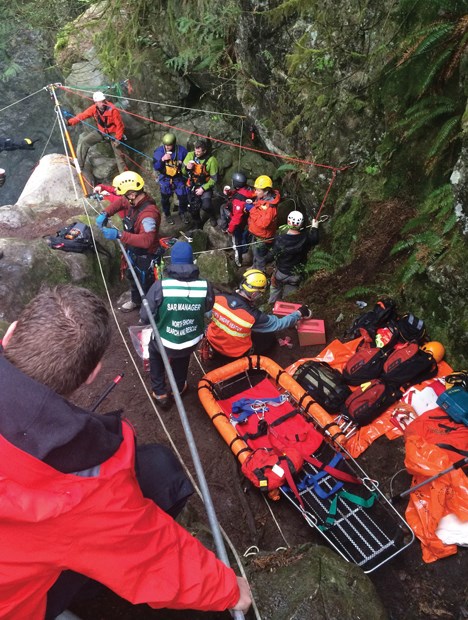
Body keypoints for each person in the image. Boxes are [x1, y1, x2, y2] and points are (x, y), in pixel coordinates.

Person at [0, 284, 251, 618]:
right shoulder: (79, 484)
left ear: (10, 332)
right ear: (92, 375)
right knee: (158, 469)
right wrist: (227, 588)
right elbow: (146, 552)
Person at [141, 241, 214, 409]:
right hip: (190, 339)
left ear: (172, 261)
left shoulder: (161, 286)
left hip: (164, 339)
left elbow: (145, 316)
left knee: (155, 354)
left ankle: (160, 392)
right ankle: (178, 388)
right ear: (192, 261)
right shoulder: (205, 286)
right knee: (182, 359)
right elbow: (208, 307)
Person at [206, 268, 311, 360]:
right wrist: (299, 313)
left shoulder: (219, 298)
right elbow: (278, 324)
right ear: (254, 293)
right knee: (269, 338)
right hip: (234, 353)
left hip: (212, 341)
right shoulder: (252, 316)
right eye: (260, 293)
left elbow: (209, 314)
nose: (260, 296)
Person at [96, 171, 161, 312]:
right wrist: (106, 213)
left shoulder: (149, 215)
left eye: (125, 195)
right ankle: (136, 301)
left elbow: (147, 240)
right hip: (133, 249)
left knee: (146, 283)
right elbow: (120, 202)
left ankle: (151, 311)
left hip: (146, 254)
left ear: (132, 194)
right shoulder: (133, 200)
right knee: (132, 276)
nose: (124, 198)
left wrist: (119, 235)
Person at [66, 91, 127, 174]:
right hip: (102, 131)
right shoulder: (94, 108)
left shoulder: (113, 110)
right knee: (85, 141)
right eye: (100, 102)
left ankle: (124, 175)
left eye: (103, 101)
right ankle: (80, 165)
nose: (103, 103)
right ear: (96, 102)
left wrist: (118, 139)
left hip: (114, 133)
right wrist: (70, 122)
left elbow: (120, 125)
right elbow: (82, 115)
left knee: (119, 155)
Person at [268, 210, 320, 303]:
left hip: (281, 273)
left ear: (288, 222)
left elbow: (272, 255)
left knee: (275, 288)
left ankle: (271, 305)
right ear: (301, 224)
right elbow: (315, 240)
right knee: (289, 299)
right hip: (295, 274)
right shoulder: (305, 238)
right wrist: (314, 227)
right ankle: (287, 309)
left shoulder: (280, 239)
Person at [220, 171, 256, 267]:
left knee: (236, 242)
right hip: (247, 220)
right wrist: (228, 192)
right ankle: (244, 248)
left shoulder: (239, 201)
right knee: (244, 234)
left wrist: (230, 230)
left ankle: (238, 261)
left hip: (240, 222)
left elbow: (236, 219)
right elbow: (237, 193)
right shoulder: (249, 190)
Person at [153, 132, 189, 225]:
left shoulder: (182, 151)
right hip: (165, 177)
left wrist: (182, 164)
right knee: (165, 198)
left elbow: (188, 165)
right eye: (165, 145)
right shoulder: (159, 152)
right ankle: (167, 214)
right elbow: (156, 167)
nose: (167, 147)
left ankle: (182, 212)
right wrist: (162, 159)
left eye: (169, 145)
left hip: (178, 177)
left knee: (183, 196)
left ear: (174, 144)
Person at [247, 175, 280, 272]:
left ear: (266, 191)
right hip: (256, 233)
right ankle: (254, 266)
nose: (255, 192)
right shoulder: (263, 198)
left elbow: (263, 223)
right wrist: (253, 204)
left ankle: (260, 273)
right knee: (255, 252)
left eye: (258, 190)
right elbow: (261, 207)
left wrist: (252, 210)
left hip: (262, 237)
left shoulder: (271, 208)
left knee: (260, 256)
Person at [183, 138, 219, 228]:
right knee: (192, 208)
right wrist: (187, 168)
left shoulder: (211, 161)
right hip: (192, 184)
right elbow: (183, 172)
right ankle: (198, 223)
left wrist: (203, 189)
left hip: (205, 185)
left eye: (199, 152)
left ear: (204, 151)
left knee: (206, 205)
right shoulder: (190, 155)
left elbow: (214, 179)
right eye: (195, 150)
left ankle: (212, 216)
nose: (196, 153)